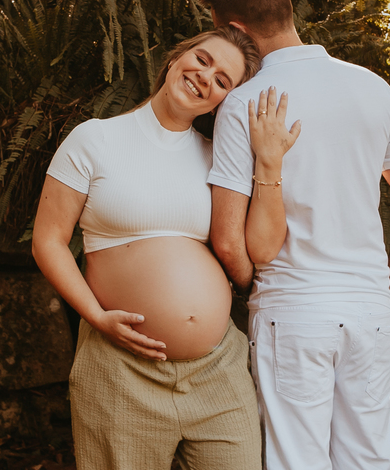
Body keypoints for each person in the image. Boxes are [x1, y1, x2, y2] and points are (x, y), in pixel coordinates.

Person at [30, 26, 299, 470]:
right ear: (176, 58)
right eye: (203, 59)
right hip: (121, 368)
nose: (205, 77)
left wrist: (269, 162)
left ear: (223, 101)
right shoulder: (94, 139)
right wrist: (95, 317)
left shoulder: (220, 158)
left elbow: (261, 248)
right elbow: (48, 241)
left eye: (223, 81)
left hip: (217, 370)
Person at [204, 0, 390, 470]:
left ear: (236, 29)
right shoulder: (372, 88)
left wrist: (253, 287)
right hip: (368, 310)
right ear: (286, 10)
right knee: (370, 460)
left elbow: (227, 239)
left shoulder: (244, 103)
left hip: (292, 309)